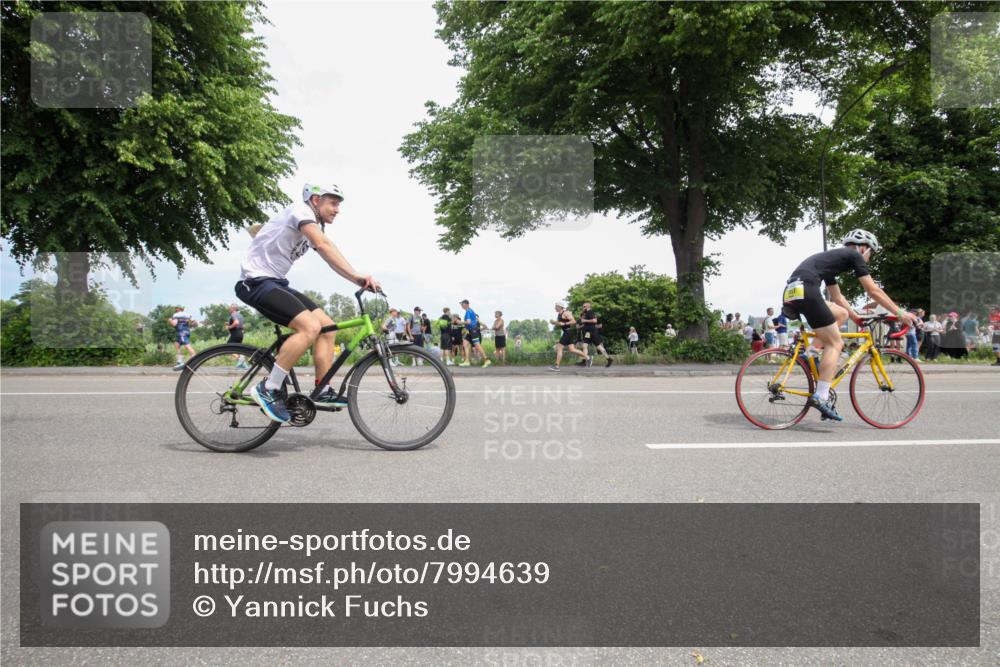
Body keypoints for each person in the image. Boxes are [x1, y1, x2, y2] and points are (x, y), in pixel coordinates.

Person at [235, 183, 379, 422]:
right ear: (315, 200)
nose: (337, 210)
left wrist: (355, 278)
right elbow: (323, 246)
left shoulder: (312, 223)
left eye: (339, 205)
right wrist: (357, 276)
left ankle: (322, 389)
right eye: (333, 203)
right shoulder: (300, 212)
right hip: (255, 281)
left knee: (326, 326)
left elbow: (327, 251)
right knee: (310, 327)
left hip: (276, 282)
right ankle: (269, 388)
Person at [780, 229, 916, 422]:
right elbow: (873, 290)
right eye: (871, 253)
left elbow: (837, 298)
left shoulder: (831, 260)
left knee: (841, 314)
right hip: (808, 290)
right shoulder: (854, 255)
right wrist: (900, 313)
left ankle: (809, 353)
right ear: (864, 248)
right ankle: (820, 396)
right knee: (836, 344)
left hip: (793, 292)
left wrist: (855, 317)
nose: (869, 258)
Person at [549, 303, 589, 370]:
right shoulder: (559, 314)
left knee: (559, 347)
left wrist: (564, 323)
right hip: (568, 332)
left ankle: (557, 366)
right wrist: (554, 322)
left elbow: (573, 321)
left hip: (569, 332)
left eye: (556, 307)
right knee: (572, 349)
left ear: (560, 307)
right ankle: (588, 357)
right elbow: (561, 324)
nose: (555, 308)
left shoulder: (566, 313)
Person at [577, 301, 613, 367]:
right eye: (583, 306)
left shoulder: (590, 312)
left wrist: (585, 321)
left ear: (588, 306)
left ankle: (609, 359)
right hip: (588, 332)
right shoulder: (586, 313)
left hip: (592, 332)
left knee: (598, 346)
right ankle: (584, 361)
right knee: (585, 346)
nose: (583, 307)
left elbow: (595, 321)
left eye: (584, 306)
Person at [458, 299, 492, 368]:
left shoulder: (468, 311)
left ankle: (487, 360)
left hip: (473, 330)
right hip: (470, 331)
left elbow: (468, 322)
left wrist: (460, 322)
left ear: (467, 304)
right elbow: (473, 321)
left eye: (463, 304)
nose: (461, 305)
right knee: (465, 343)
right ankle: (467, 361)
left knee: (477, 345)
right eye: (461, 304)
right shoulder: (470, 311)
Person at [169, 306, 197, 371]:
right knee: (177, 345)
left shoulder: (176, 315)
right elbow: (192, 323)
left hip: (181, 332)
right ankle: (180, 361)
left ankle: (194, 358)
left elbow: (174, 324)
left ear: (178, 309)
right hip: (187, 331)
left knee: (187, 346)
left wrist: (170, 320)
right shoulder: (187, 315)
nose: (175, 309)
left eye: (176, 308)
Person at [226, 304, 247, 368]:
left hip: (236, 333)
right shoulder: (241, 315)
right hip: (240, 333)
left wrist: (229, 327)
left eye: (230, 308)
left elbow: (236, 323)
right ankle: (243, 365)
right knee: (237, 349)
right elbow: (243, 326)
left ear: (233, 309)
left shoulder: (233, 314)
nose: (229, 309)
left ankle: (240, 359)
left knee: (227, 348)